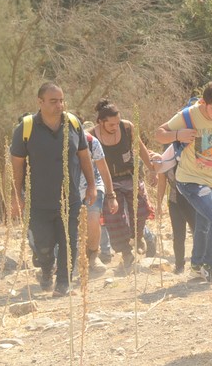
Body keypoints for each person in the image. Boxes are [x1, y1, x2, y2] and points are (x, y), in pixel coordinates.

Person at [11, 82, 97, 296]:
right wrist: (15, 196)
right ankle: (47, 269)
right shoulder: (26, 127)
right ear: (40, 102)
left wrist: (92, 185)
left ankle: (63, 283)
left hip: (71, 198)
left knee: (69, 241)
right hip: (38, 201)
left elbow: (84, 157)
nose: (59, 105)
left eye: (61, 100)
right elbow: (18, 165)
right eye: (53, 101)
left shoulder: (73, 123)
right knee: (43, 244)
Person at [154, 81, 212, 282]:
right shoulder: (188, 115)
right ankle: (211, 265)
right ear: (203, 102)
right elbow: (159, 134)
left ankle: (196, 267)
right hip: (190, 181)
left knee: (204, 225)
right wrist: (178, 134)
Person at [89, 99, 157, 268]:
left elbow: (140, 148)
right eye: (111, 124)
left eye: (117, 122)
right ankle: (126, 253)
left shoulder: (127, 127)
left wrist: (152, 169)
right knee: (115, 218)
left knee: (141, 210)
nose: (115, 127)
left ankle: (139, 236)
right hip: (109, 182)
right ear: (100, 122)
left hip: (130, 177)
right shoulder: (91, 135)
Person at [79, 123, 119, 276]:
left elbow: (103, 169)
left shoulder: (91, 141)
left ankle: (93, 256)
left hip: (93, 186)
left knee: (93, 218)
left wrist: (111, 196)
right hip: (69, 190)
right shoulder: (55, 143)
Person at [155, 153, 195, 274]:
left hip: (193, 201)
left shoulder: (191, 155)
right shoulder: (166, 159)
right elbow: (162, 183)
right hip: (175, 201)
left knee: (197, 232)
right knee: (178, 235)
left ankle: (198, 263)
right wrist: (158, 205)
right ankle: (179, 265)